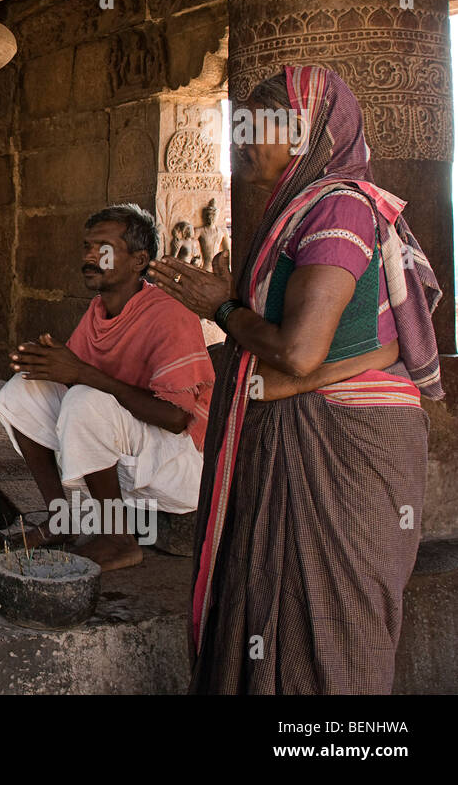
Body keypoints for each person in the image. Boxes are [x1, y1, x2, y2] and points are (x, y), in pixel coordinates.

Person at [149, 64, 442, 694]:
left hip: (344, 449)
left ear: (308, 132)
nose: (242, 140)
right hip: (316, 432)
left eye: (259, 126)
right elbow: (355, 346)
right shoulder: (304, 210)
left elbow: (299, 352)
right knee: (284, 612)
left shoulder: (338, 206)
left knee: (333, 625)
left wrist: (223, 309)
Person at [0, 204, 215, 571]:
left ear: (139, 260)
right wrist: (51, 365)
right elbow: (77, 377)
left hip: (181, 463)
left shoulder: (170, 312)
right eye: (87, 247)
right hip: (133, 447)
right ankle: (62, 518)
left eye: (104, 249)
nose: (91, 256)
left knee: (85, 399)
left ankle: (117, 539)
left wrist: (79, 372)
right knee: (23, 389)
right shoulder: (99, 309)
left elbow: (176, 419)